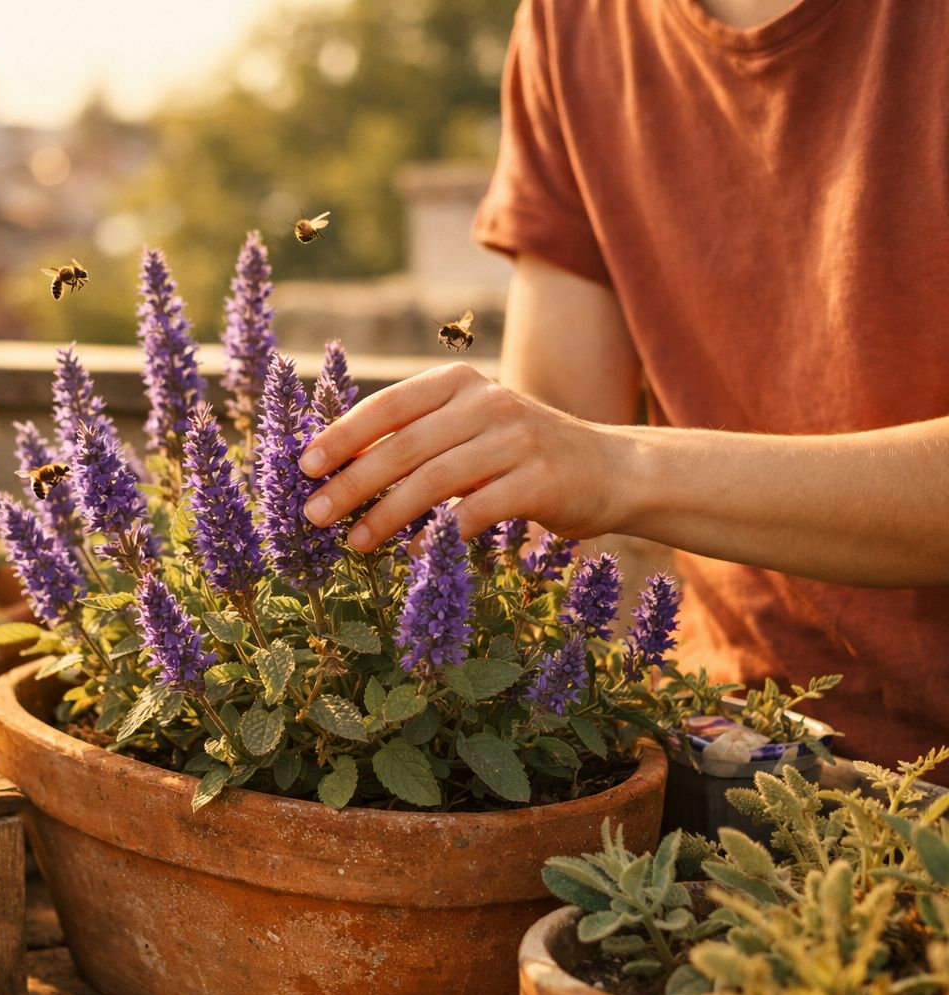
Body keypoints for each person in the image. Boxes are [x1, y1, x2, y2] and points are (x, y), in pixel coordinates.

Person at [296, 0, 949, 774]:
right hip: (734, 752)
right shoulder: (574, 23)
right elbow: (548, 460)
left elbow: (590, 456)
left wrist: (619, 467)